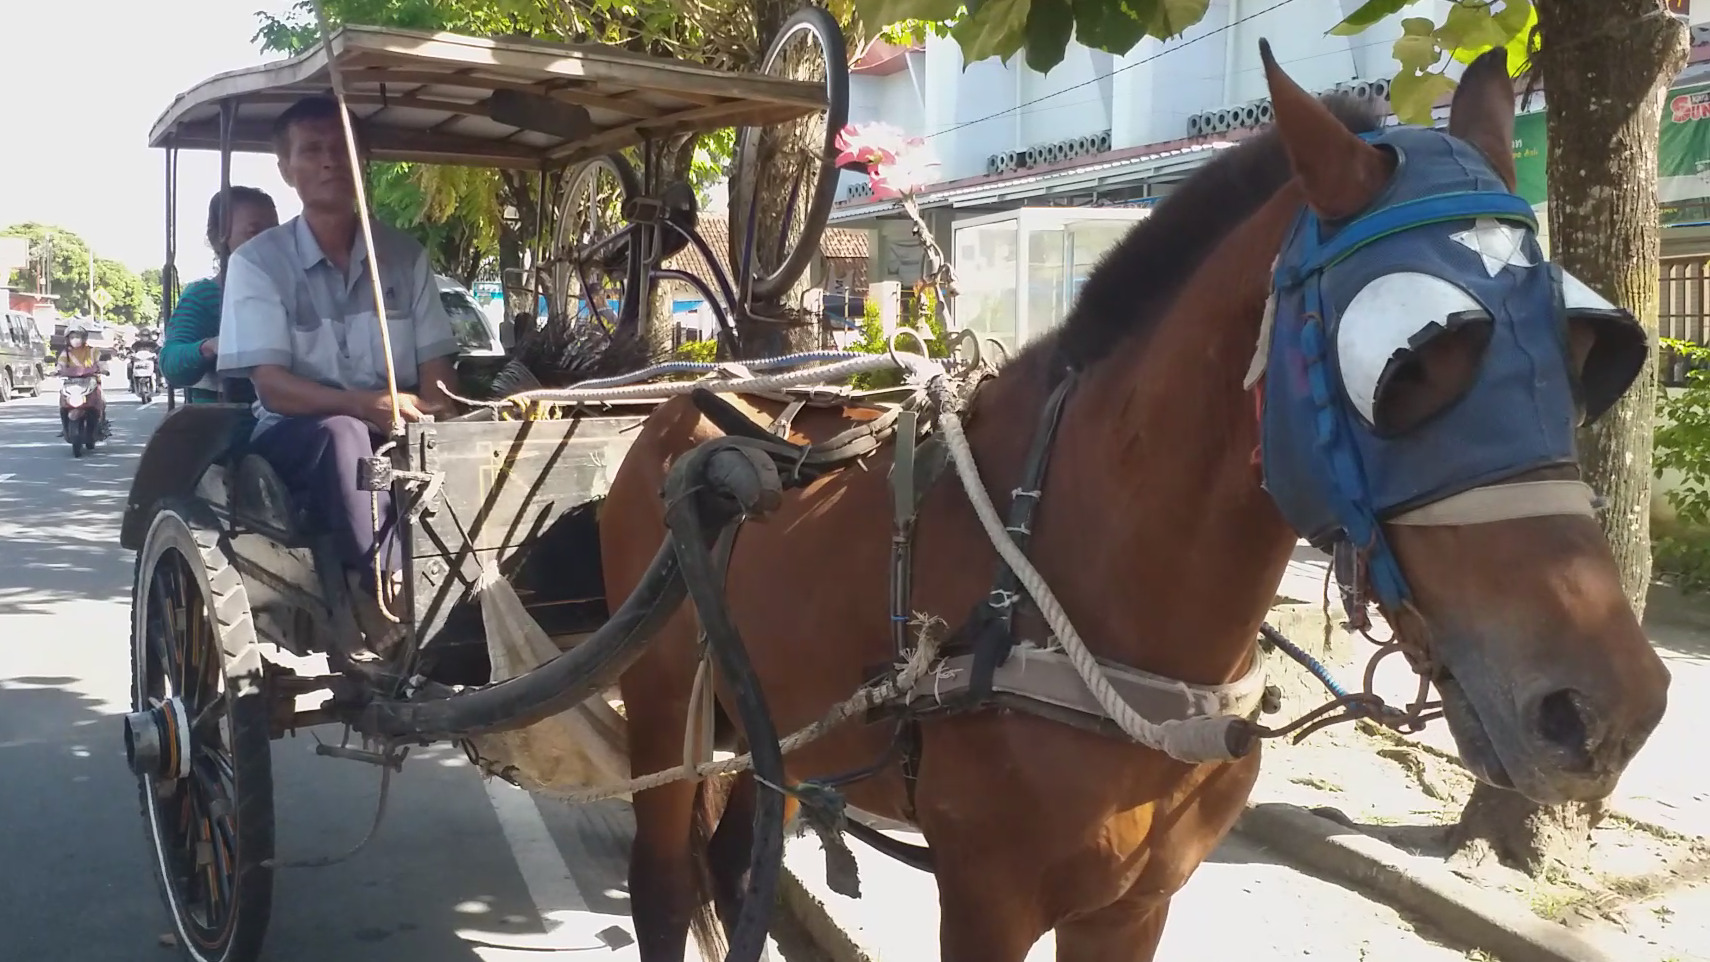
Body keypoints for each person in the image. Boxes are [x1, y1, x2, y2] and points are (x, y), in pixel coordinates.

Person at [217, 95, 460, 661]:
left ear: (362, 161)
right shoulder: (257, 264)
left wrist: (438, 409)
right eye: (314, 151)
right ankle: (378, 591)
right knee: (342, 433)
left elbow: (438, 377)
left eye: (343, 150)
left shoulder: (403, 257)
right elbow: (272, 386)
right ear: (287, 169)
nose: (331, 162)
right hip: (296, 436)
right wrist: (363, 403)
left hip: (399, 426)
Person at [162, 187, 280, 403]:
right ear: (220, 238)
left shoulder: (290, 292)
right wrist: (211, 346)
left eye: (274, 232)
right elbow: (171, 364)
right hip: (226, 420)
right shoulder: (205, 295)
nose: (268, 242)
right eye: (254, 232)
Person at [55, 327, 109, 439]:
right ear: (68, 339)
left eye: (78, 337)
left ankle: (101, 425)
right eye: (72, 337)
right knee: (64, 403)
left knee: (101, 402)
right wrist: (56, 371)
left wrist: (104, 369)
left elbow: (101, 362)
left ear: (84, 338)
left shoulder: (93, 351)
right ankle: (65, 427)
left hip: (91, 381)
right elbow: (60, 364)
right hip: (71, 382)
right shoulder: (66, 353)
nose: (75, 340)